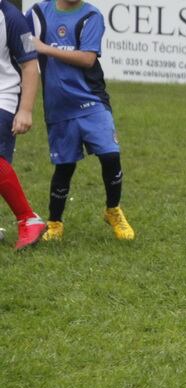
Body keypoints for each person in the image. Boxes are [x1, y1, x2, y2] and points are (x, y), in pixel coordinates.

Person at [26, 0, 134, 242]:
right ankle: (55, 223)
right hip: (58, 107)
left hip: (91, 100)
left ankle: (113, 210)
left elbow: (87, 59)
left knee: (110, 154)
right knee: (64, 165)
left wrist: (45, 48)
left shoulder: (91, 16)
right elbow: (23, 47)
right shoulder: (36, 13)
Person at [0, 0, 45, 250]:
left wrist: (25, 110)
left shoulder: (12, 17)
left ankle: (29, 219)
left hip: (4, 98)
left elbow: (30, 64)